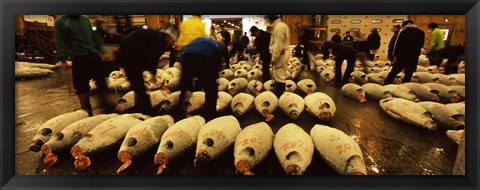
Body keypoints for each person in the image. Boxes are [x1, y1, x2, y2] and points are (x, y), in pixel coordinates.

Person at [54, 15, 113, 116]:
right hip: (79, 59)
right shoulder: (61, 22)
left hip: (94, 56)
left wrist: (102, 51)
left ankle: (105, 106)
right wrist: (62, 59)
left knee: (101, 82)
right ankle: (87, 111)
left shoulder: (85, 19)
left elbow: (93, 37)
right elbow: (60, 41)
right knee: (81, 87)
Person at [115, 28, 177, 115]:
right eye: (172, 41)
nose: (171, 43)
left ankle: (140, 107)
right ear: (169, 37)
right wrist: (153, 74)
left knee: (137, 85)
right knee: (139, 86)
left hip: (126, 54)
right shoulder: (160, 40)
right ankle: (145, 110)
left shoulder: (154, 35)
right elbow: (153, 57)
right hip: (131, 56)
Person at [179, 37, 228, 122]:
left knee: (184, 84)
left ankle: (180, 111)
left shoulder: (205, 41)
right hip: (203, 58)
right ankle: (210, 115)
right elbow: (216, 64)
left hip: (186, 56)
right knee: (210, 87)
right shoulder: (219, 47)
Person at [384, 20, 425, 85]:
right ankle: (404, 87)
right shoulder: (421, 32)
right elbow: (421, 44)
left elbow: (397, 45)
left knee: (394, 72)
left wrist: (395, 56)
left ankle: (386, 84)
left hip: (403, 56)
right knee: (409, 73)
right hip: (414, 57)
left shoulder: (403, 31)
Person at [267, 15, 290, 98]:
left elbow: (278, 45)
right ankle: (279, 95)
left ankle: (280, 97)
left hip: (280, 55)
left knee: (279, 76)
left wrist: (273, 58)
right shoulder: (280, 26)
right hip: (280, 54)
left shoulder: (279, 28)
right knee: (278, 75)